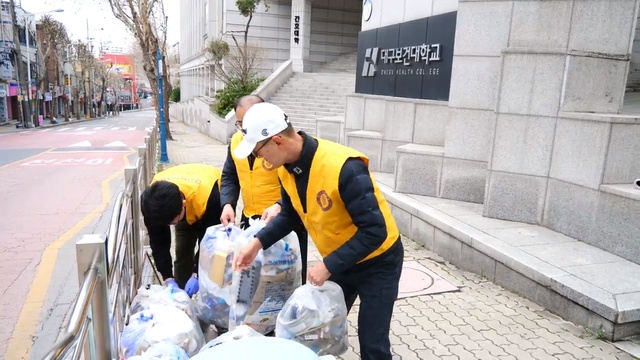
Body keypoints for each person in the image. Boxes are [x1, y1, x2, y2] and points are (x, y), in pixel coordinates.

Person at [232, 102, 404, 360]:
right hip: (341, 261)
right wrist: (257, 243)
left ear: (276, 141)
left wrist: (328, 265)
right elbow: (290, 216)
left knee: (372, 342)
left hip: (378, 262)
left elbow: (374, 231)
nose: (260, 161)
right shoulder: (286, 170)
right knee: (320, 328)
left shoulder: (344, 167)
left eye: (258, 153)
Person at [220, 95, 309, 283]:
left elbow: (300, 184)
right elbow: (230, 175)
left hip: (284, 221)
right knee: (252, 278)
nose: (244, 130)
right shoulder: (237, 142)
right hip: (251, 219)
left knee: (287, 279)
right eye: (240, 124)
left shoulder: (282, 146)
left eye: (248, 124)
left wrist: (280, 205)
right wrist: (228, 203)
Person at [141, 163, 223, 297]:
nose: (171, 226)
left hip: (208, 201)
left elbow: (209, 244)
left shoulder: (213, 198)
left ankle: (209, 295)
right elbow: (158, 242)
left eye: (173, 222)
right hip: (180, 202)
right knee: (183, 251)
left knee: (213, 259)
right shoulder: (151, 204)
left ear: (183, 205)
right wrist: (167, 278)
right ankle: (181, 296)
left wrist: (197, 274)